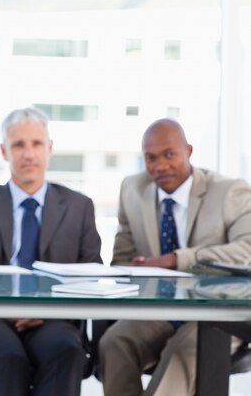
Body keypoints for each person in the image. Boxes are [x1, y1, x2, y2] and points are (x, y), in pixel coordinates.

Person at [0, 106, 102, 396]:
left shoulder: (79, 207)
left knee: (66, 350)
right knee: (9, 357)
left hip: (52, 318)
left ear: (50, 148)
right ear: (4, 151)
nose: (28, 154)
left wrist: (45, 310)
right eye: (18, 145)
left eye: (37, 144)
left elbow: (91, 273)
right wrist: (1, 306)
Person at [98, 118, 251, 396]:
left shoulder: (230, 192)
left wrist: (176, 259)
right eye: (151, 158)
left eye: (170, 155)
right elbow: (122, 259)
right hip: (161, 310)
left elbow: (248, 250)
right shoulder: (132, 190)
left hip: (219, 314)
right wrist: (130, 271)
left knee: (182, 352)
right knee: (115, 342)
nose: (160, 166)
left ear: (188, 151)